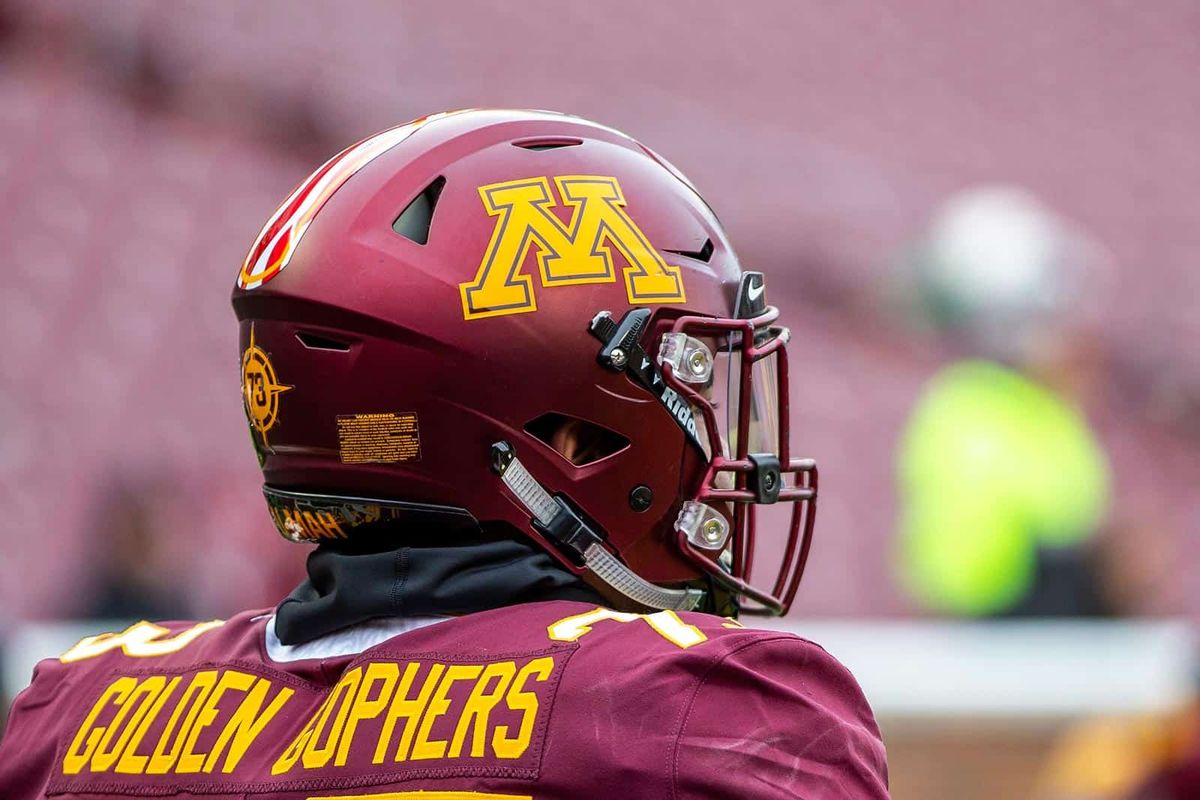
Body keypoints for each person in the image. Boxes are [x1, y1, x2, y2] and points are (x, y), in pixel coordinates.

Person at [0, 110, 888, 797]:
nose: (715, 451)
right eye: (689, 382)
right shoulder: (703, 708)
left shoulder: (74, 716)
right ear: (570, 436)